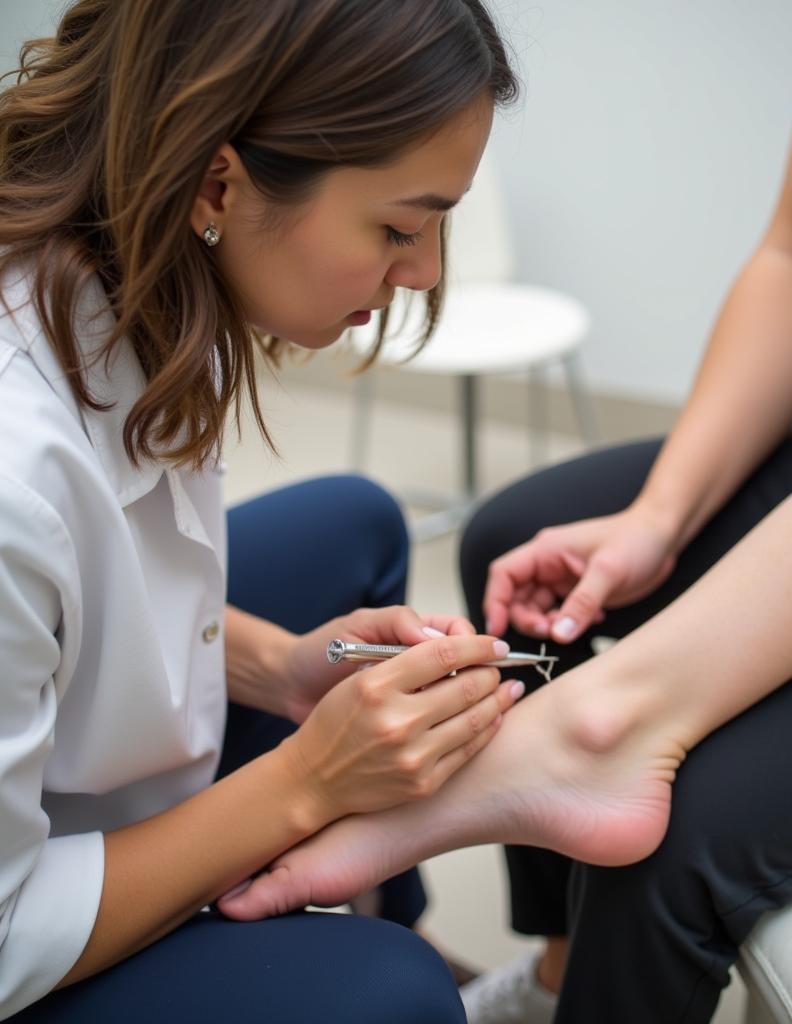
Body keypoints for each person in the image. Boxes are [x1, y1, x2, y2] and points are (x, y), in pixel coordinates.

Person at [214, 2, 792, 1023]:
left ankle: (585, 746)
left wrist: (618, 711)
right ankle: (560, 973)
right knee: (518, 547)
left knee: (679, 817)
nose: (418, 270)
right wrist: (659, 516)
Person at [0, 1, 524, 1020]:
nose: (418, 272)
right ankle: (364, 956)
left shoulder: (122, 279)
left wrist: (278, 671)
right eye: (400, 226)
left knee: (355, 522)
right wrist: (307, 780)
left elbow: (94, 587)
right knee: (394, 998)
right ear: (218, 181)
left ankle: (375, 912)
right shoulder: (15, 464)